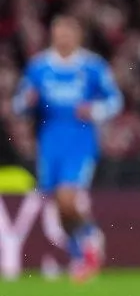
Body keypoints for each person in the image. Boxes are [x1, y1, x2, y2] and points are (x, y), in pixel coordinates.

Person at [9, 15, 122, 282]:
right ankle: (84, 253)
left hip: (80, 142)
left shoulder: (92, 67)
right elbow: (18, 104)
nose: (63, 38)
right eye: (59, 33)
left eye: (68, 33)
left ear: (78, 36)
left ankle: (92, 240)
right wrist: (27, 101)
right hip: (50, 142)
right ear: (52, 35)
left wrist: (95, 110)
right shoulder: (39, 68)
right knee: (59, 207)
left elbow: (116, 100)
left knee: (67, 197)